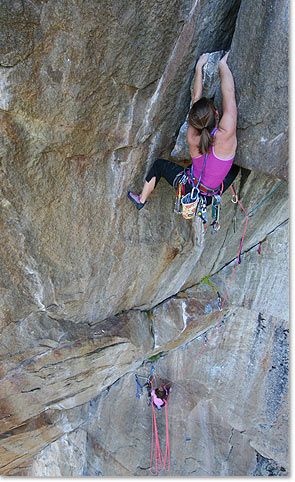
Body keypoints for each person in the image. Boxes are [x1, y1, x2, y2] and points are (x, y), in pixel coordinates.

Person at [127, 51, 239, 210]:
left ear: (195, 120)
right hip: (207, 198)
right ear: (216, 113)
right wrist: (223, 65)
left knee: (159, 165)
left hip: (187, 188)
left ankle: (141, 199)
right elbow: (229, 94)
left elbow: (195, 99)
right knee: (236, 168)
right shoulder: (227, 133)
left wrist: (199, 68)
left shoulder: (192, 136)